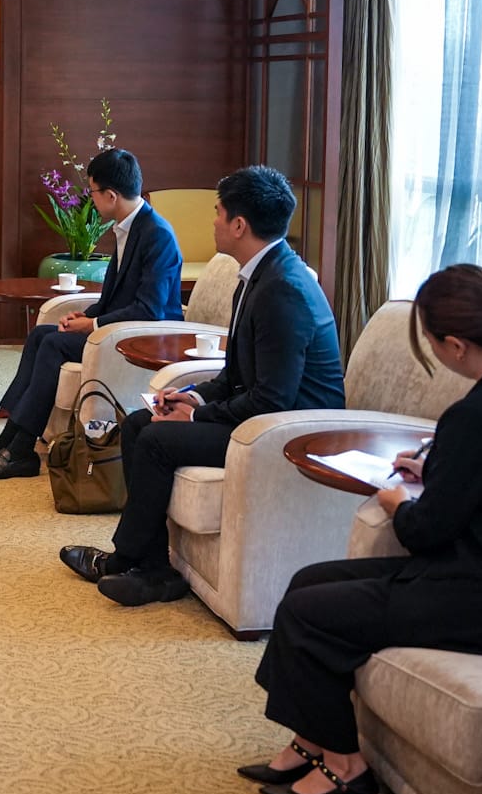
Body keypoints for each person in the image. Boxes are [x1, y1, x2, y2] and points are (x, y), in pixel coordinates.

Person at [243, 264, 482, 794]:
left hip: (481, 601)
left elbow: (427, 533)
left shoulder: (476, 414)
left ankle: (346, 767)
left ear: (455, 345)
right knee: (309, 581)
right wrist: (438, 475)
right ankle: (309, 739)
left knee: (310, 613)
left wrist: (398, 500)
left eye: (430, 341)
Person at [60, 165, 344, 606]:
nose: (212, 221)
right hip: (262, 417)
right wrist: (192, 396)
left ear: (239, 224)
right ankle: (149, 564)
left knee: (155, 439)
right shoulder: (258, 275)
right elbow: (235, 375)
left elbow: (273, 399)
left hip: (287, 433)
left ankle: (137, 564)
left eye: (217, 212)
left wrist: (197, 415)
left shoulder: (283, 290)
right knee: (139, 423)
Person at [0, 149, 183, 477]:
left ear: (111, 195)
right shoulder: (128, 226)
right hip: (117, 327)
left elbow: (149, 310)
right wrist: (85, 317)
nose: (90, 199)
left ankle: (20, 451)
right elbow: (115, 297)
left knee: (54, 345)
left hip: (142, 338)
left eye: (92, 192)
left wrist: (91, 324)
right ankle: (7, 439)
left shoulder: (156, 234)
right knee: (40, 336)